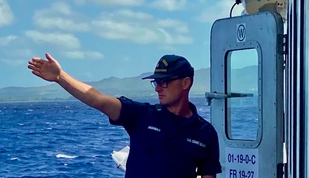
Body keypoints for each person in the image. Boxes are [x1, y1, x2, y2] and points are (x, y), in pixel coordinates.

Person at [28, 53, 222, 178]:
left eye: (165, 82)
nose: (158, 88)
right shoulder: (141, 115)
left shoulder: (205, 133)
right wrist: (60, 77)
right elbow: (98, 99)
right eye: (156, 83)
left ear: (185, 83)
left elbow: (208, 176)